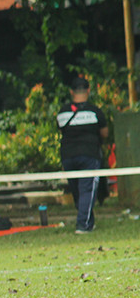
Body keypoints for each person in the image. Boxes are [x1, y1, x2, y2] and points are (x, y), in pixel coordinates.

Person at [57, 76, 108, 234]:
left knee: (78, 190)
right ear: (88, 91)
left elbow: (61, 130)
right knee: (87, 190)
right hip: (89, 154)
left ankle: (88, 221)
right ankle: (83, 225)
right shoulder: (94, 112)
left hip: (68, 156)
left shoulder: (63, 112)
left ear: (71, 92)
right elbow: (104, 133)